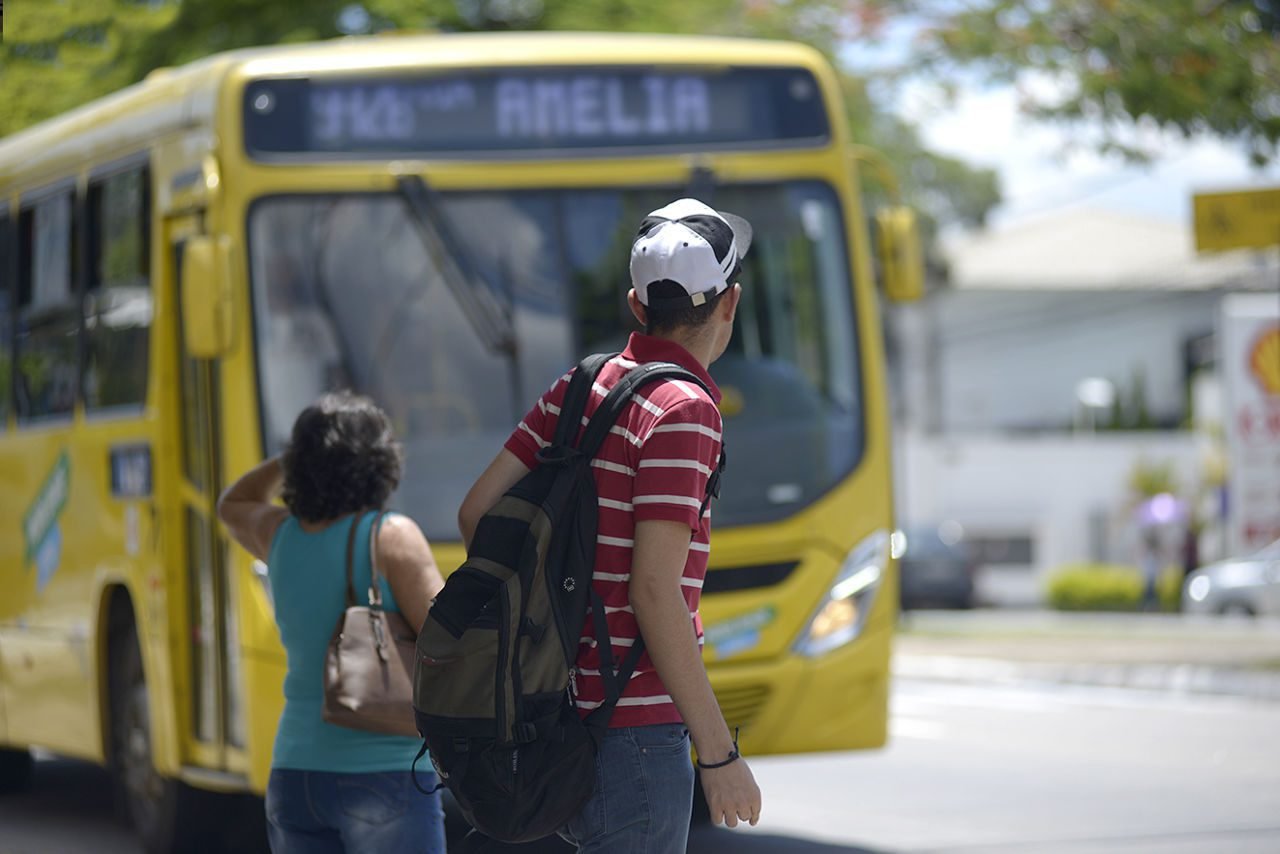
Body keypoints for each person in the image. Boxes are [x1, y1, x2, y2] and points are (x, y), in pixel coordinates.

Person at [458, 199, 763, 852]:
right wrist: (718, 754)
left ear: (635, 302)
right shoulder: (684, 410)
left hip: (557, 717)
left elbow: (477, 515)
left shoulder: (579, 385)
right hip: (637, 733)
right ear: (729, 304)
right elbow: (654, 591)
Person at [217, 392, 446, 854]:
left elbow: (232, 501)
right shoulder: (391, 537)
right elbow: (450, 643)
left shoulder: (277, 533)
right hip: (384, 774)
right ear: (379, 463)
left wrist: (301, 455)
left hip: (294, 775)